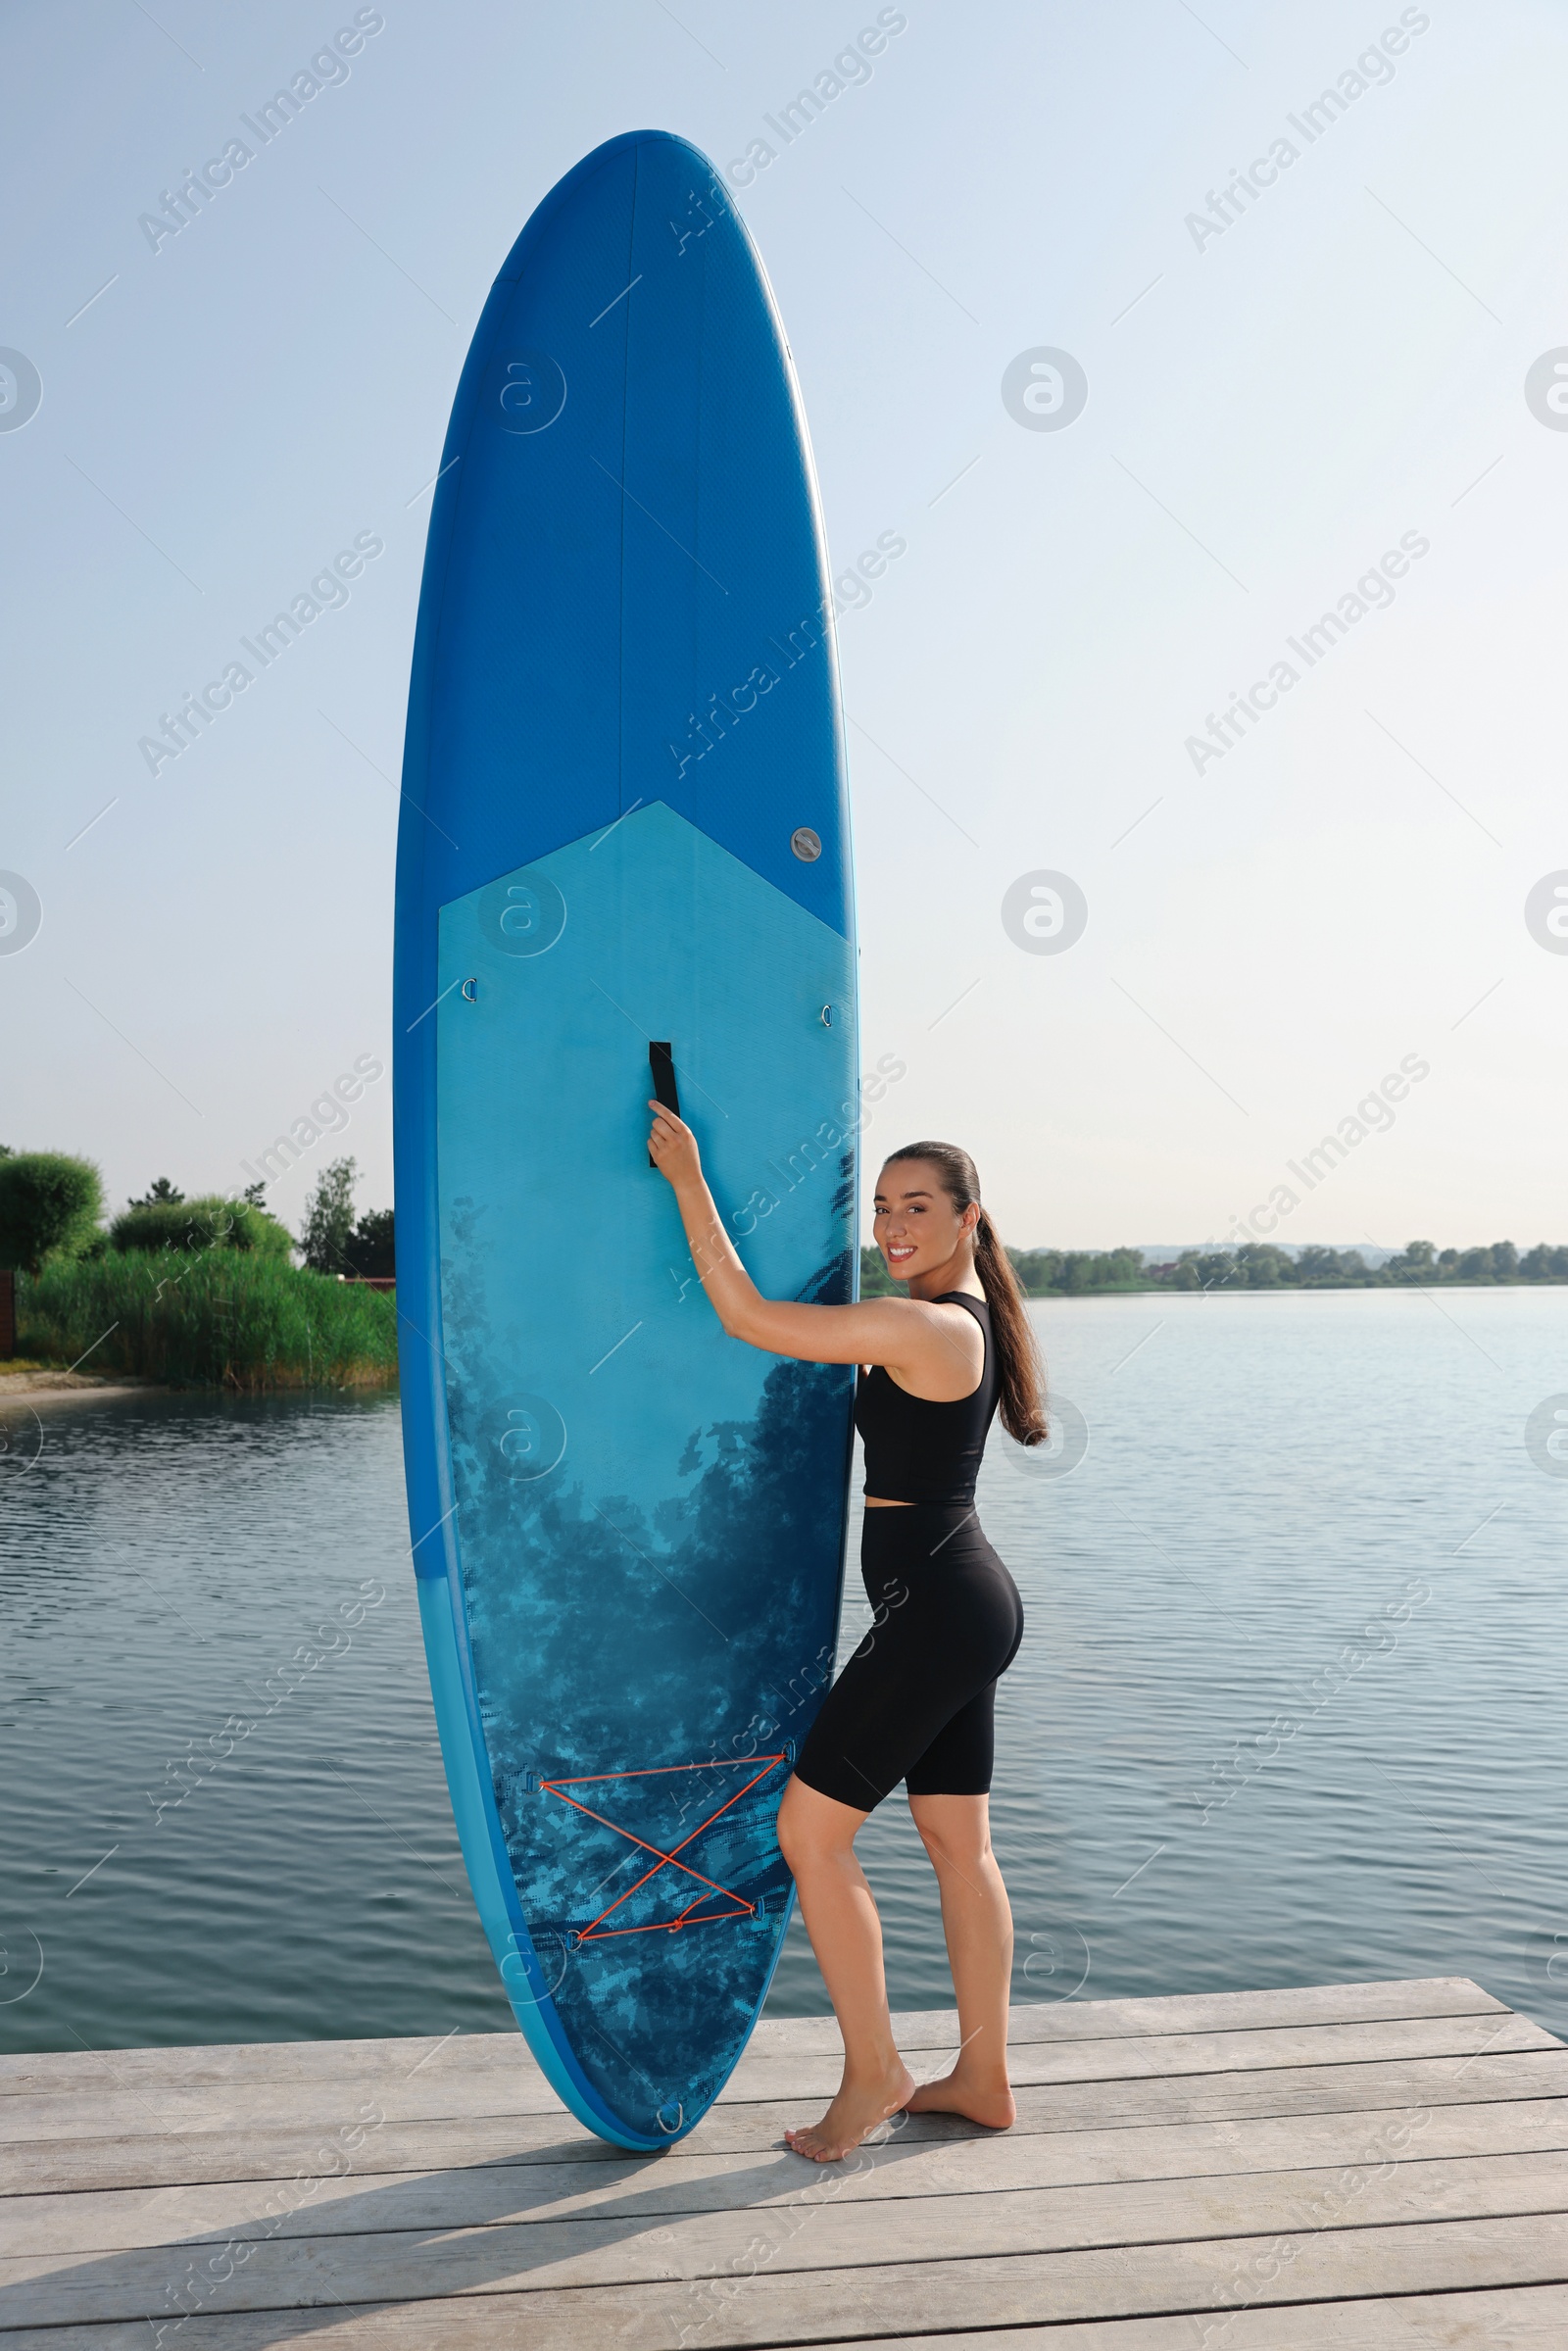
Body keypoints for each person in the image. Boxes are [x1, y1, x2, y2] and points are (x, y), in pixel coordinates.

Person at [648, 1106, 1047, 2163]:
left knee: (810, 1834)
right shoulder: (963, 1317)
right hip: (963, 1604)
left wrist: (688, 1178)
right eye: (880, 1206)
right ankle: (983, 2074)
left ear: (969, 1218)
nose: (892, 1224)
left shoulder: (924, 1326)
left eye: (916, 1205)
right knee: (960, 1847)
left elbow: (742, 1314)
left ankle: (873, 2069)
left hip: (936, 1611)